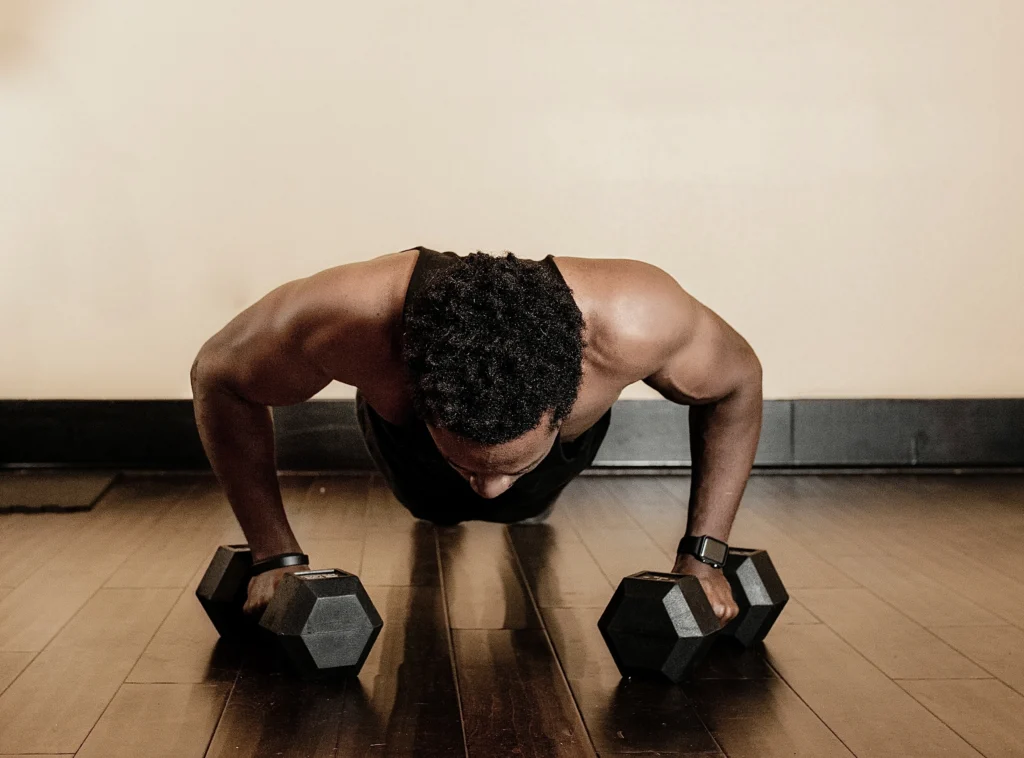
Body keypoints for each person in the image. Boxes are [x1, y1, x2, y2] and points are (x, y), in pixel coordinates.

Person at [191, 246, 762, 625]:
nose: (489, 489)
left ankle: (503, 468)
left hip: (557, 464)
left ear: (570, 398)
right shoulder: (344, 319)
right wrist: (273, 556)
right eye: (473, 468)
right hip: (411, 465)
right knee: (435, 503)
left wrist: (704, 555)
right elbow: (217, 376)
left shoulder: (638, 320)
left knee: (520, 506)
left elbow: (737, 382)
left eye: (509, 467)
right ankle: (468, 465)